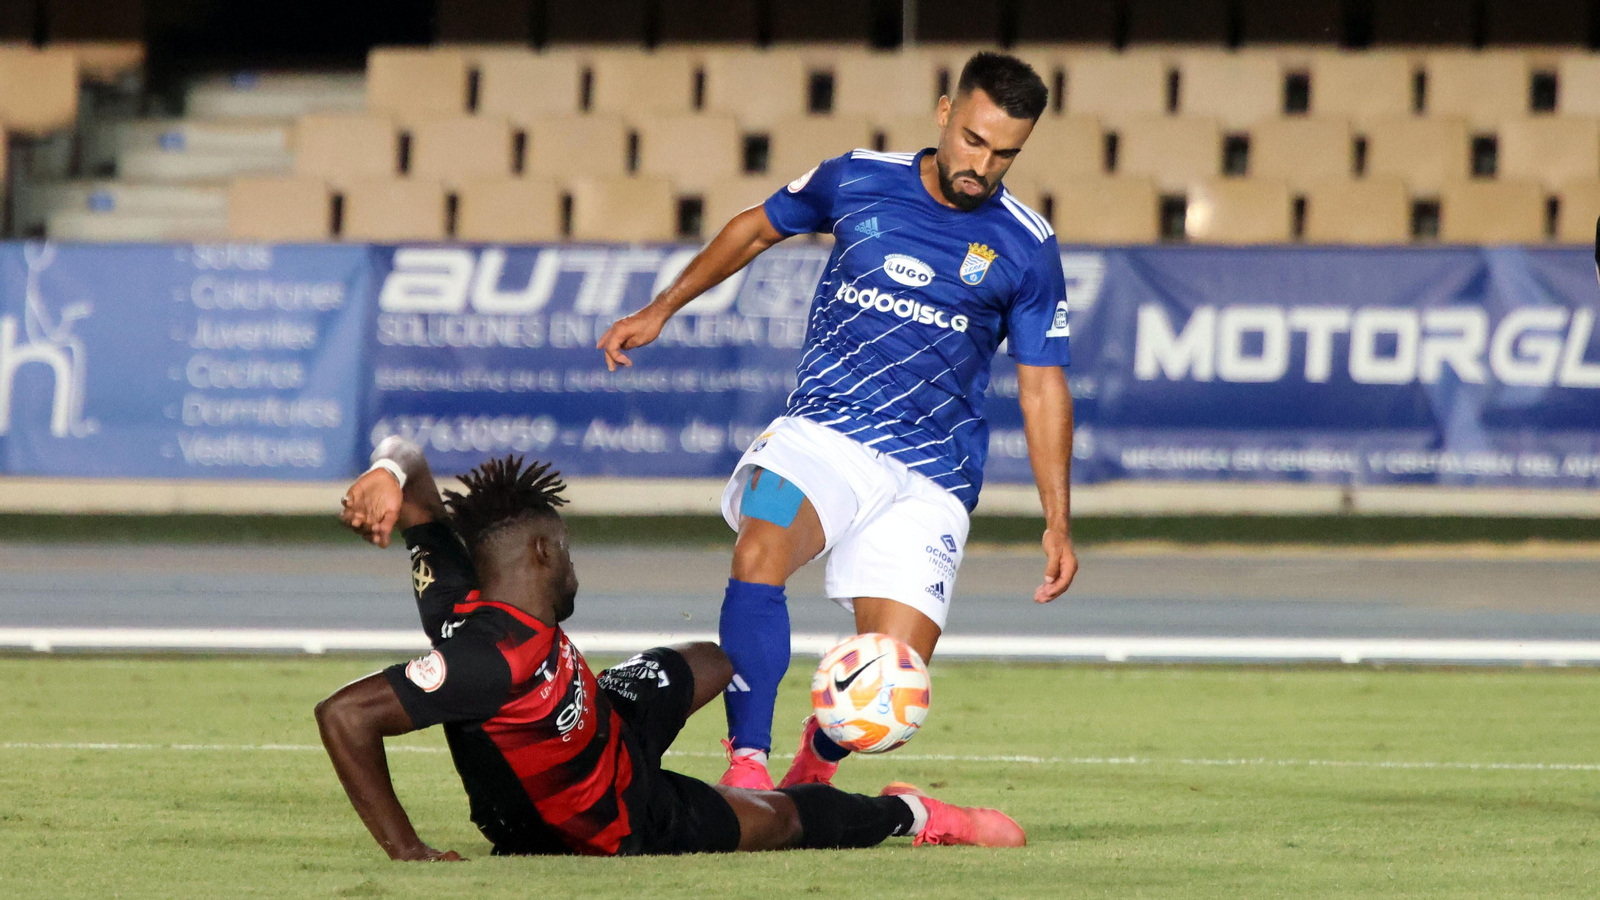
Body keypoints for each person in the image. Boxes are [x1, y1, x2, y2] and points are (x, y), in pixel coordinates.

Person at [596, 51, 1078, 790]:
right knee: (760, 550)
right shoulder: (857, 176)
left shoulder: (1027, 245)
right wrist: (661, 308)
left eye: (1006, 152)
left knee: (895, 681)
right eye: (975, 140)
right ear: (946, 113)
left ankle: (809, 774)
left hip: (931, 476)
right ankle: (747, 765)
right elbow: (755, 230)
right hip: (817, 438)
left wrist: (1056, 520)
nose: (984, 164)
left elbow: (1043, 388)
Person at [315, 437, 1025, 859]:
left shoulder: (463, 592)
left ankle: (754, 745)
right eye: (564, 550)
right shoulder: (485, 660)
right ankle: (915, 815)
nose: (572, 564)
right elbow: (344, 716)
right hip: (614, 815)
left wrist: (386, 466)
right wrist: (406, 852)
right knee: (779, 820)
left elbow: (414, 483)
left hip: (603, 720)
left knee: (715, 657)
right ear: (539, 552)